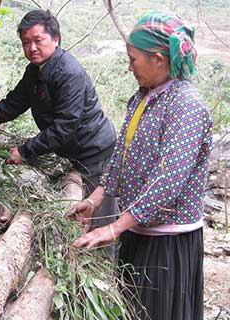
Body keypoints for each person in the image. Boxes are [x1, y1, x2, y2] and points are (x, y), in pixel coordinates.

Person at [72, 11, 212, 320]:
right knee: (132, 308)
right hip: (137, 228)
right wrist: (95, 201)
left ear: (159, 60)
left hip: (168, 240)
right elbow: (122, 158)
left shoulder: (186, 107)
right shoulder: (143, 98)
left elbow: (168, 181)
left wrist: (115, 226)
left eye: (133, 59)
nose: (129, 66)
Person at [0, 9, 118, 232]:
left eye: (38, 40)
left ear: (55, 39)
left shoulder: (69, 73)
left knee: (98, 218)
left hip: (94, 151)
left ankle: (102, 260)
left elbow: (64, 127)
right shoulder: (34, 71)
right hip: (74, 151)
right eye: (26, 42)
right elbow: (12, 105)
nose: (32, 48)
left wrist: (25, 150)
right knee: (78, 212)